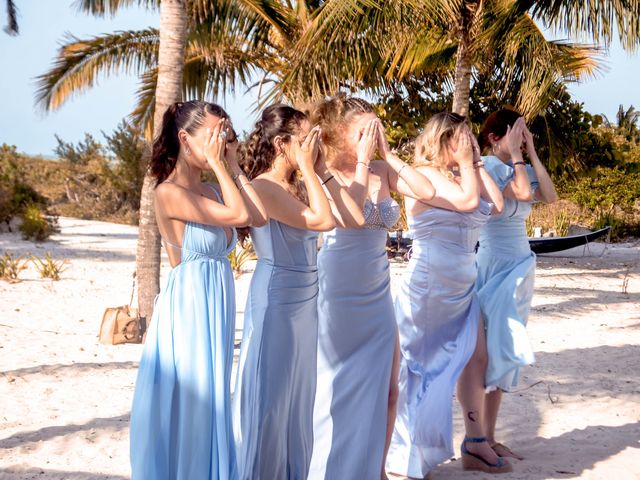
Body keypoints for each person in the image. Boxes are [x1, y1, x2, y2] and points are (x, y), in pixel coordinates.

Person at [130, 100, 266, 480]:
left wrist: (234, 164)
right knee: (195, 403)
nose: (221, 142)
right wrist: (223, 166)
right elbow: (240, 216)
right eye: (214, 135)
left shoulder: (213, 189)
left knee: (212, 401)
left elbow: (258, 217)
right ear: (185, 138)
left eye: (225, 134)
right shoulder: (168, 192)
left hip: (215, 304)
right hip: (188, 308)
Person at [308, 95, 436, 480]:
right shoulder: (323, 171)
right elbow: (349, 213)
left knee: (387, 391)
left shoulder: (382, 168)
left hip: (378, 289)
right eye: (363, 130)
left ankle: (374, 470)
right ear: (338, 133)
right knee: (336, 389)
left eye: (375, 128)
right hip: (338, 288)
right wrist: (363, 162)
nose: (371, 135)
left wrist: (387, 154)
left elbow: (425, 191)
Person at [233, 104, 359, 480]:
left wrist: (319, 171)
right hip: (277, 301)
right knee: (272, 404)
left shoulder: (302, 184)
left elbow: (349, 219)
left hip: (306, 301)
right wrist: (309, 167)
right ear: (282, 144)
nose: (313, 144)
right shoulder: (264, 188)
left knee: (298, 403)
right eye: (306, 139)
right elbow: (321, 222)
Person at [387, 112, 505, 479]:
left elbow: (496, 205)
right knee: (421, 367)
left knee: (475, 357)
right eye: (463, 137)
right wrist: (469, 165)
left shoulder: (463, 174)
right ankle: (405, 455)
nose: (470, 143)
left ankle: (475, 440)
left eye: (471, 137)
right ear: (443, 140)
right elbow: (470, 201)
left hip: (463, 284)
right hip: (431, 286)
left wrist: (474, 162)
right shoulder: (422, 175)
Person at [476, 109, 558, 460]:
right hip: (494, 267)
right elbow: (524, 193)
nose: (521, 142)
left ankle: (490, 437)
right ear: (495, 137)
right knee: (491, 351)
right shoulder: (486, 166)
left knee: (505, 354)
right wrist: (517, 155)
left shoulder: (517, 166)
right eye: (516, 134)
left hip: (520, 266)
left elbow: (549, 197)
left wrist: (532, 151)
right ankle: (479, 437)